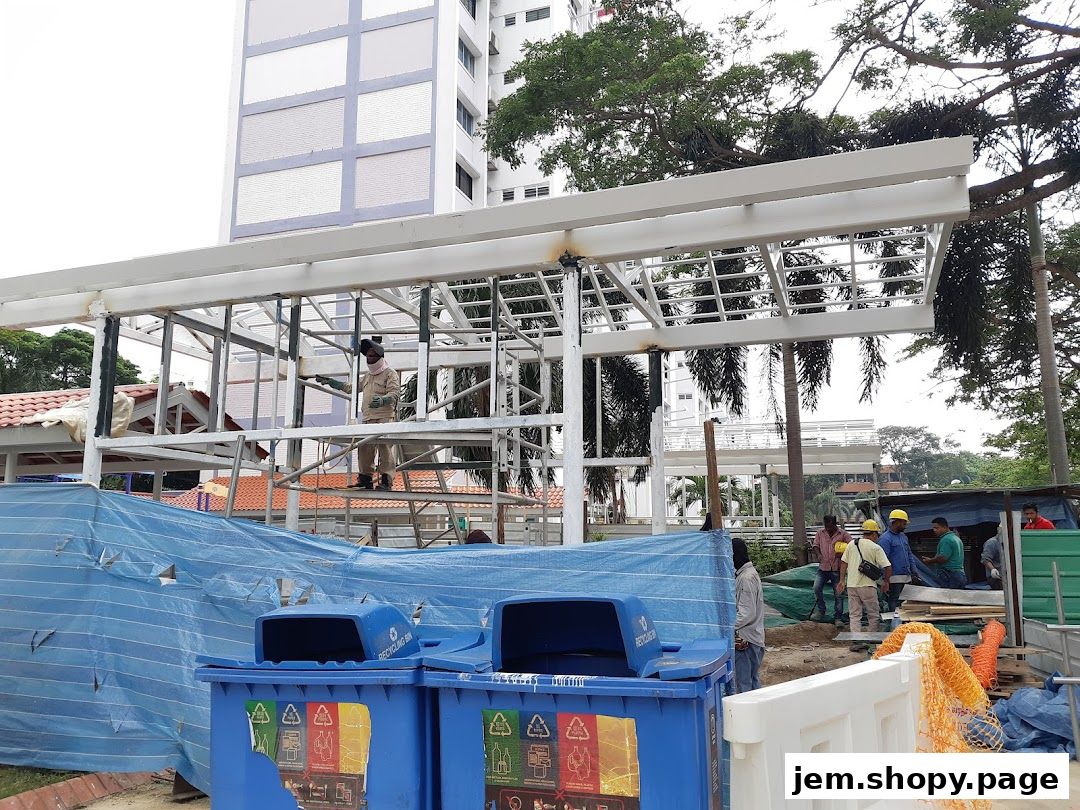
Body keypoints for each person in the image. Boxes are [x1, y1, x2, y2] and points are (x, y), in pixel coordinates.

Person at [838, 520, 892, 652]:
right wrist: (886, 582)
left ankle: (856, 640)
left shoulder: (852, 544)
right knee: (873, 614)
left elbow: (843, 563)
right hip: (868, 586)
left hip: (852, 585)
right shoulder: (875, 547)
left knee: (855, 614)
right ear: (874, 533)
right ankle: (872, 639)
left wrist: (841, 581)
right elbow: (888, 566)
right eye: (877, 534)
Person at [356, 338, 400, 491]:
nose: (370, 359)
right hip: (368, 418)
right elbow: (353, 387)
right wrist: (335, 383)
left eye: (373, 356)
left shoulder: (390, 373)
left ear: (380, 357)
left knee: (385, 448)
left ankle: (386, 480)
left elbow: (394, 393)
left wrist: (383, 400)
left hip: (384, 417)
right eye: (368, 356)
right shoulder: (367, 376)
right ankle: (365, 478)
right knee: (364, 447)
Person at [732, 539, 765, 693]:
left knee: (744, 685)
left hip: (746, 639)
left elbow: (746, 613)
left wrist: (726, 628)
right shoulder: (748, 575)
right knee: (752, 682)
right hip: (753, 638)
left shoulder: (745, 578)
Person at [809, 516, 850, 623]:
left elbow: (852, 546)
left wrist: (843, 553)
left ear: (835, 524)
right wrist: (818, 555)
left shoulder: (843, 534)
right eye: (826, 527)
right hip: (823, 568)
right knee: (816, 588)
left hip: (837, 569)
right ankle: (821, 610)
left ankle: (838, 617)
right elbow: (815, 545)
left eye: (830, 527)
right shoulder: (820, 533)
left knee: (838, 594)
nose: (828, 529)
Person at [877, 509, 918, 614]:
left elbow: (909, 554)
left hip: (906, 576)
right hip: (894, 577)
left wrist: (914, 571)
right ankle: (894, 622)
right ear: (896, 522)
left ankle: (903, 623)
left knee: (905, 601)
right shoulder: (885, 539)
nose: (905, 526)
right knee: (894, 600)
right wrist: (885, 579)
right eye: (904, 523)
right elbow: (883, 561)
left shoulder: (903, 537)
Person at [923, 517, 967, 589]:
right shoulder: (955, 538)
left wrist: (930, 560)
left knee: (948, 598)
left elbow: (943, 558)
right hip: (959, 575)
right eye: (933, 528)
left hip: (950, 576)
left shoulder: (946, 539)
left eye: (936, 528)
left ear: (944, 527)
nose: (934, 530)